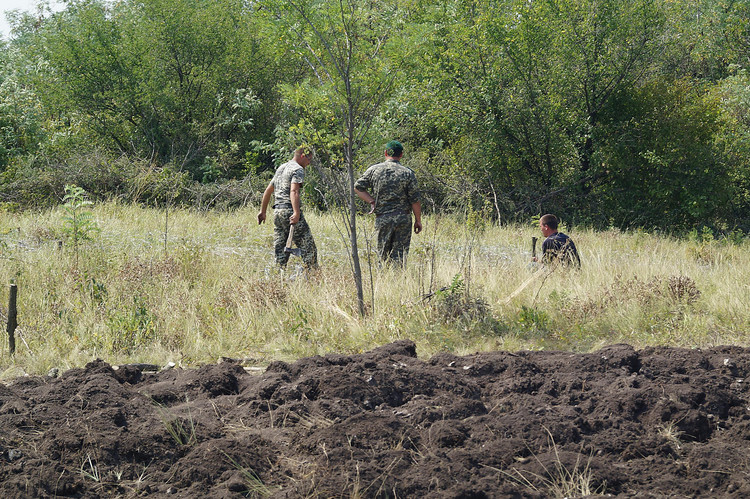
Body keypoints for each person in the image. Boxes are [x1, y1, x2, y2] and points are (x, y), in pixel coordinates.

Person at [354, 140, 422, 266]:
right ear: (401, 155)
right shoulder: (407, 173)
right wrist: (418, 220)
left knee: (382, 255)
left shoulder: (374, 170)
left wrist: (372, 201)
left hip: (383, 218)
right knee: (399, 256)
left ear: (385, 152)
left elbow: (358, 187)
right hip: (403, 218)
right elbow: (415, 200)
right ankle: (397, 281)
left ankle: (383, 280)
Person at [257, 145, 318, 269]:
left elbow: (268, 190)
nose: (309, 163)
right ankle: (314, 276)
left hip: (278, 212)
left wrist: (262, 211)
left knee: (280, 250)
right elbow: (294, 191)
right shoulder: (298, 169)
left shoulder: (281, 168)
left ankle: (278, 276)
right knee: (309, 247)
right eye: (309, 159)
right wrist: (296, 213)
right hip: (289, 211)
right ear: (302, 155)